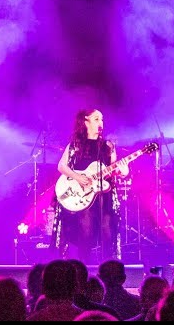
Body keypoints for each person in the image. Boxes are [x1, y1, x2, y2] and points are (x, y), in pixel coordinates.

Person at [53, 108, 129, 264]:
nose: (101, 122)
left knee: (107, 229)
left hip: (104, 194)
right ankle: (84, 266)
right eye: (96, 119)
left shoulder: (108, 146)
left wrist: (123, 171)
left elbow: (114, 169)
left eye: (102, 119)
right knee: (85, 229)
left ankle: (108, 268)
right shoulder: (75, 144)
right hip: (83, 194)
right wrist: (78, 177)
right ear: (86, 121)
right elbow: (61, 166)